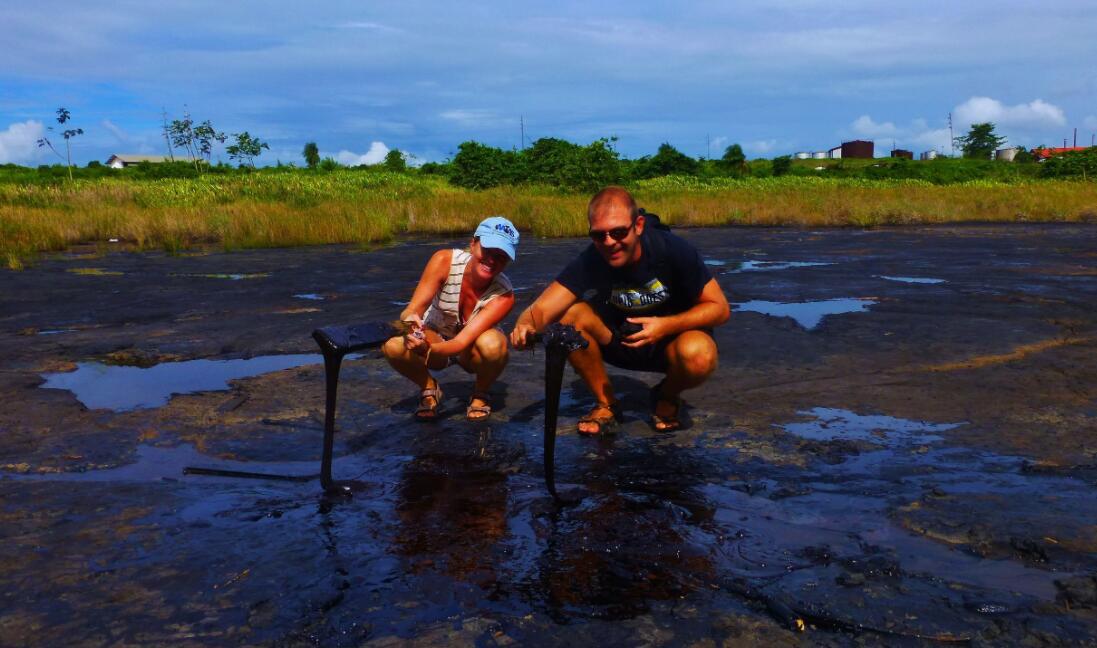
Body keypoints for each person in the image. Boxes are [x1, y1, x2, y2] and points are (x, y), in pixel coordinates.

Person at [510, 187, 729, 434]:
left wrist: (665, 326)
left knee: (700, 354)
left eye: (618, 232)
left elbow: (719, 308)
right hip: (618, 341)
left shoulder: (672, 250)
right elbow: (541, 308)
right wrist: (525, 325)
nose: (609, 243)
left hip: (668, 344)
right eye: (599, 235)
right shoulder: (592, 259)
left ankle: (666, 395)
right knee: (568, 318)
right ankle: (606, 404)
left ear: (638, 225)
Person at [383, 216, 519, 421]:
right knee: (391, 343)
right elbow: (412, 310)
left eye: (501, 256)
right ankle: (429, 387)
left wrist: (426, 349)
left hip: (469, 349)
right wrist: (412, 324)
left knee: (494, 345)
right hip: (433, 334)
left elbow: (461, 342)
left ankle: (480, 393)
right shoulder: (444, 261)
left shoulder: (504, 295)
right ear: (473, 244)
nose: (492, 260)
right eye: (488, 250)